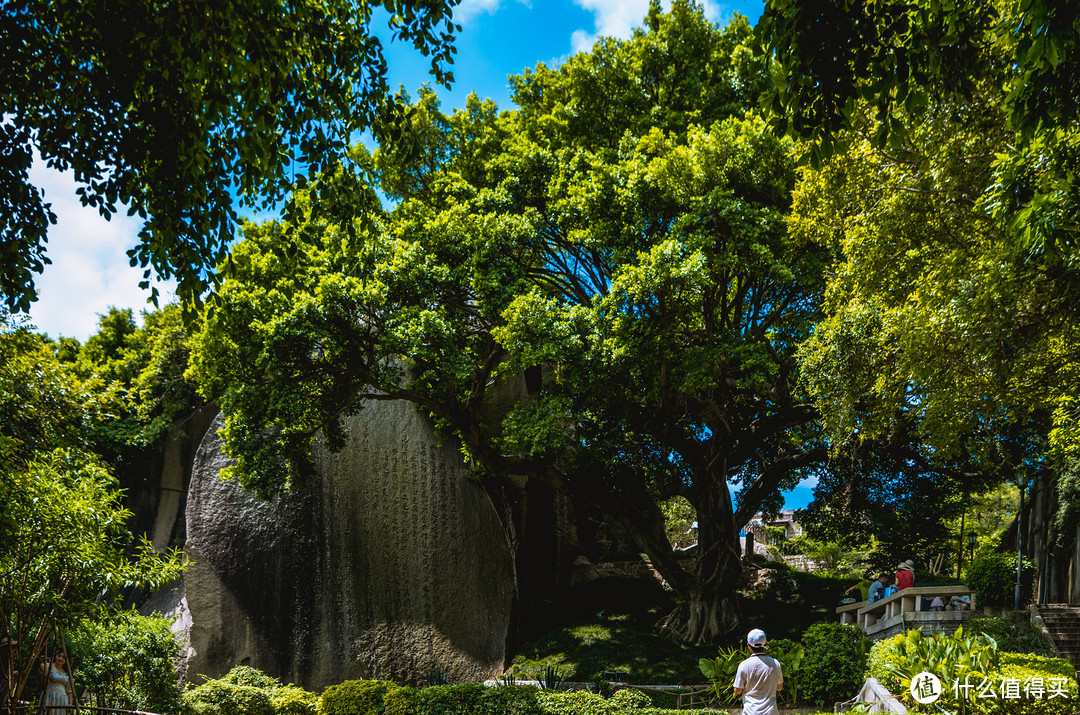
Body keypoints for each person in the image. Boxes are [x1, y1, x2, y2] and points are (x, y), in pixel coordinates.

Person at [734, 629, 784, 715]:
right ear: (766, 644)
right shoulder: (775, 663)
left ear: (748, 646)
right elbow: (779, 687)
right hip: (771, 712)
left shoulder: (744, 665)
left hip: (750, 712)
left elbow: (737, 691)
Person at [41, 651, 72, 715]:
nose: (60, 658)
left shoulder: (67, 673)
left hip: (62, 699)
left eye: (63, 657)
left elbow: (69, 690)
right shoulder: (48, 666)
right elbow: (43, 670)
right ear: (55, 656)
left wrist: (70, 703)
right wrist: (42, 661)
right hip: (49, 696)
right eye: (59, 656)